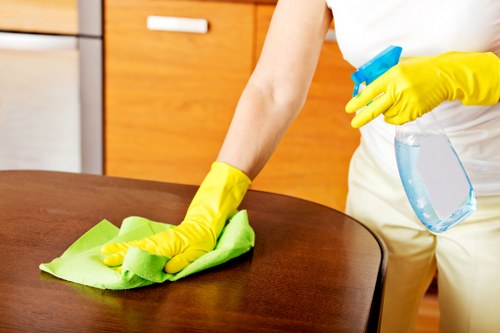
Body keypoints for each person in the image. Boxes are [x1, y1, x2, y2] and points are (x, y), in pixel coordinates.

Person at [101, 0, 500, 332]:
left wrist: (456, 75)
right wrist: (209, 207)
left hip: (493, 195)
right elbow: (274, 87)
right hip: (384, 183)